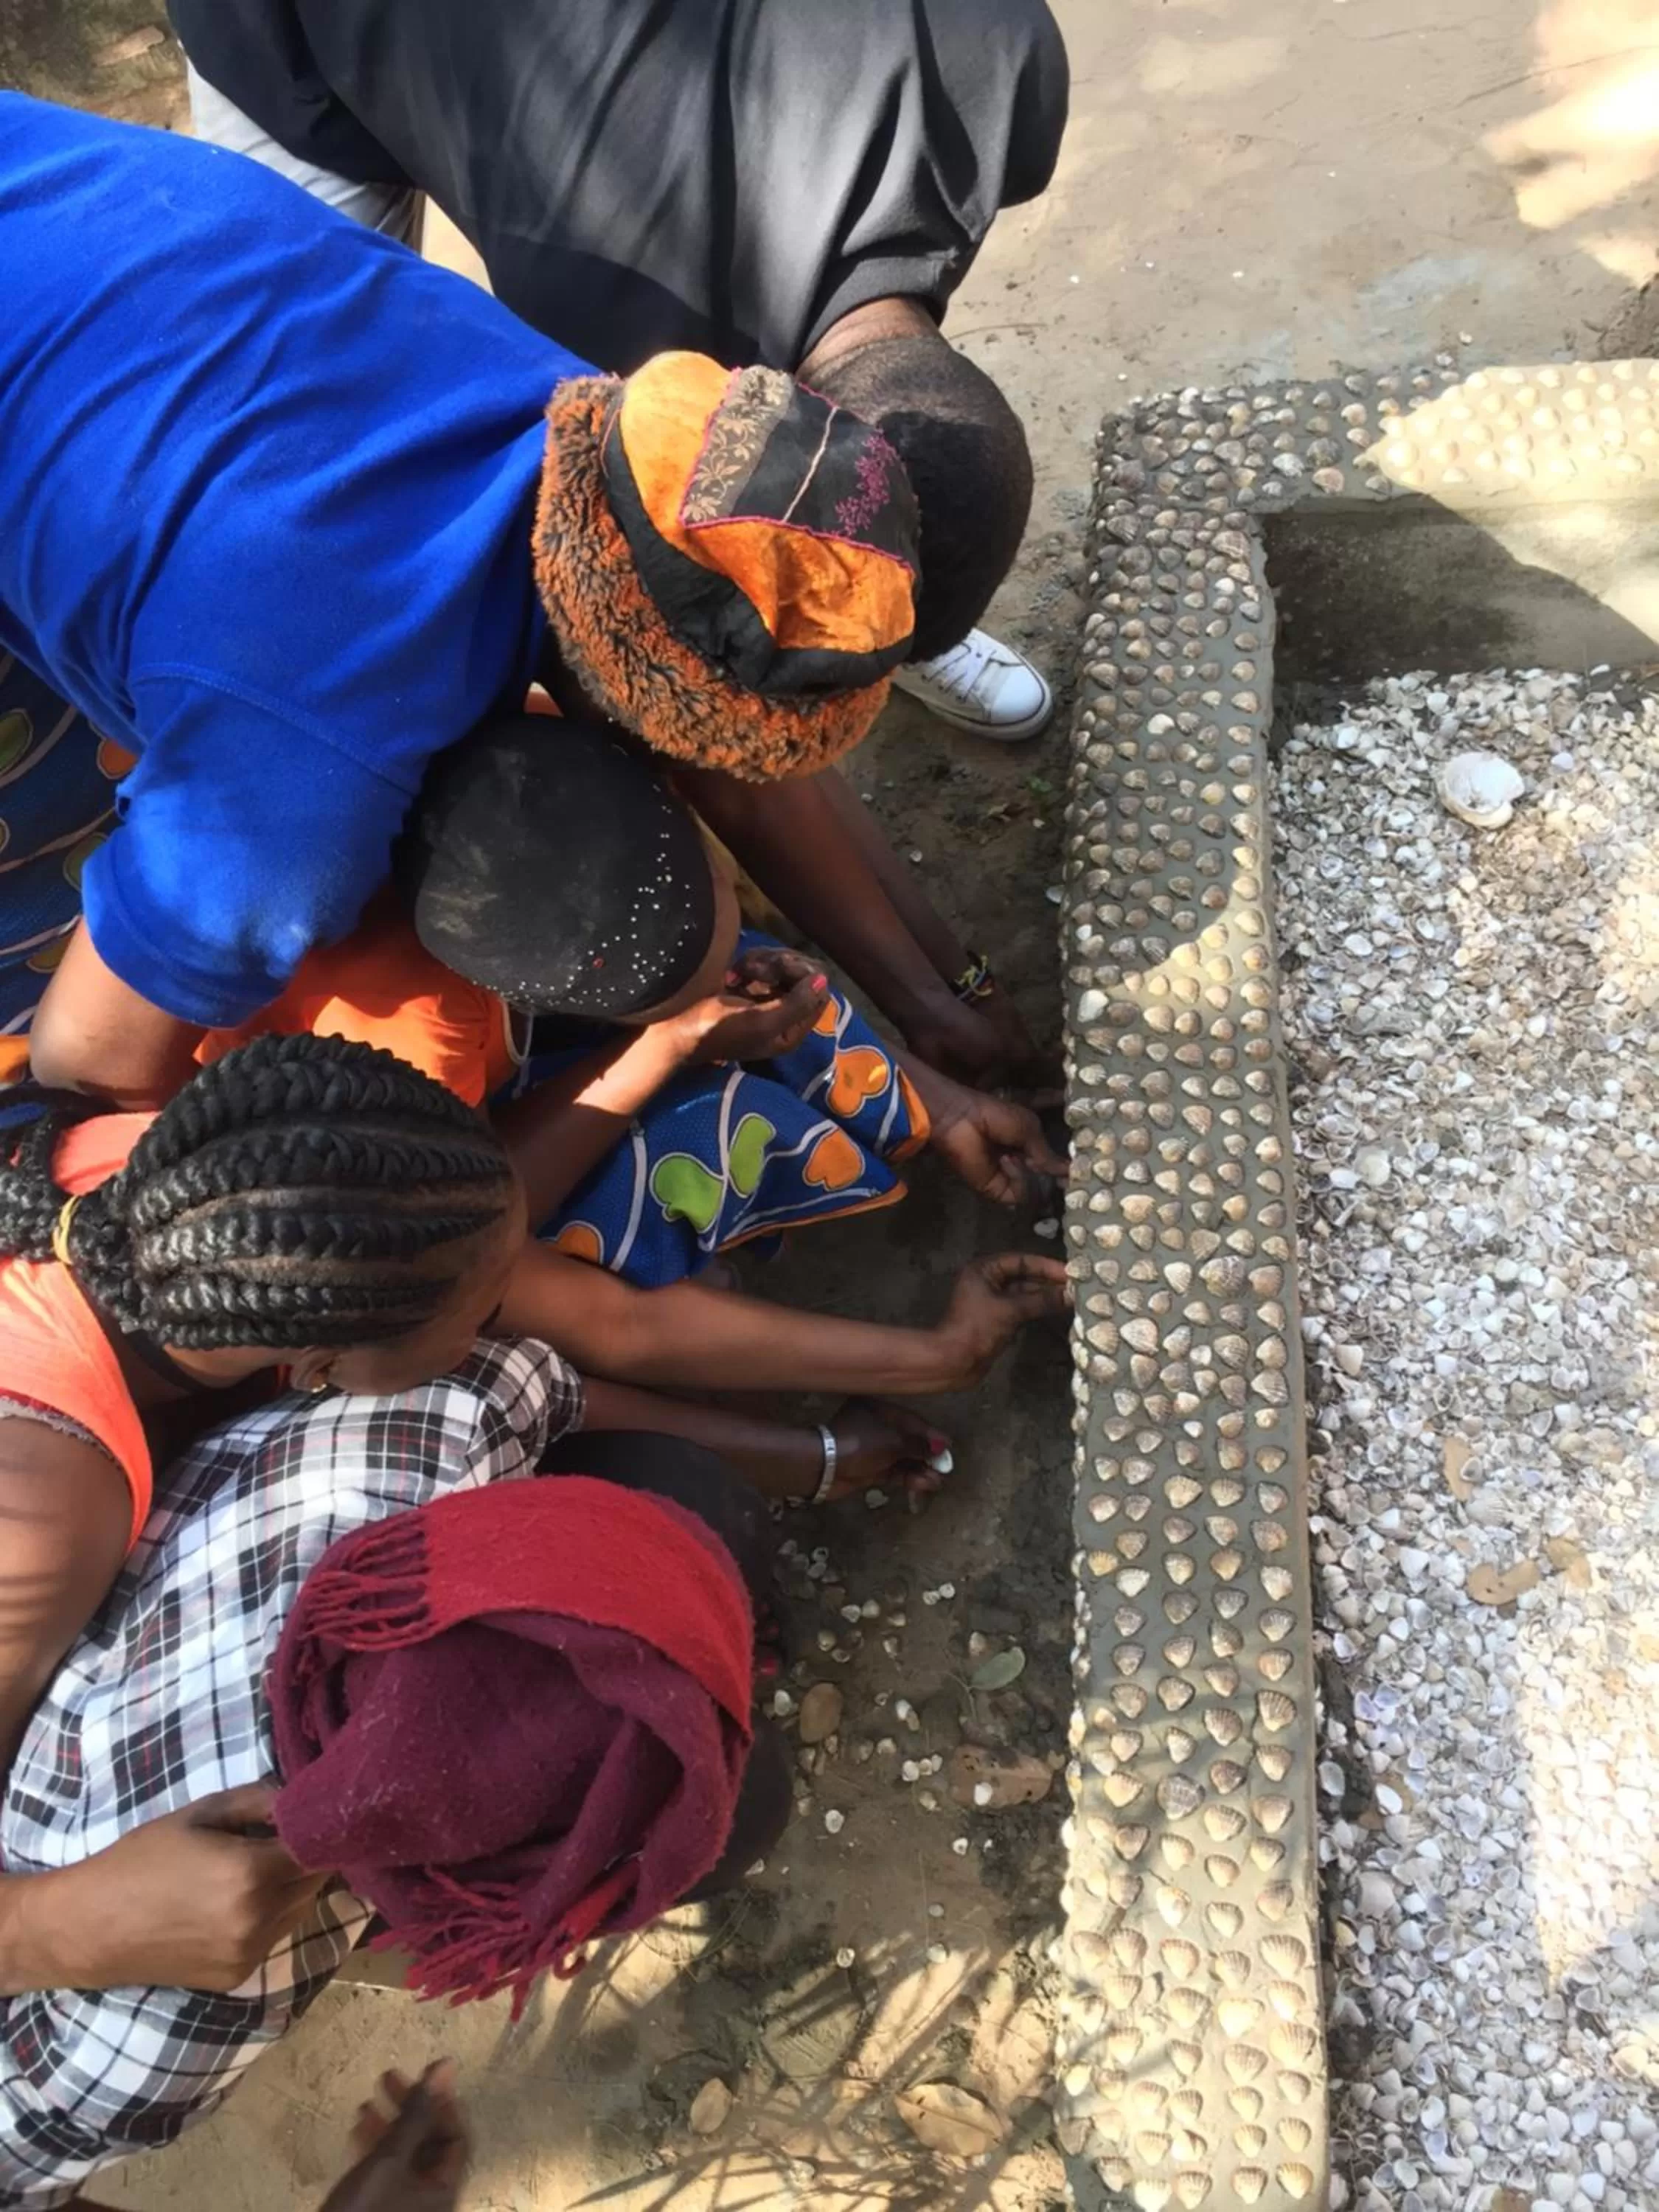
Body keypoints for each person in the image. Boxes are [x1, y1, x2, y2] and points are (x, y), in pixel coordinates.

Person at [0, 96, 1032, 1115]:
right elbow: (85, 1060)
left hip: (72, 227)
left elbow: (751, 777)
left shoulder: (615, 441)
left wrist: (940, 996)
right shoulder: (292, 788)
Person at [0, 1339, 804, 2207]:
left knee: (727, 1783)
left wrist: (38, 1931)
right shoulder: (420, 1438)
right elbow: (533, 1387)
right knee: (694, 1539)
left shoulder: (161, 2028)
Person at [170, 0, 1069, 743]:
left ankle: (872, 611)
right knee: (330, 391)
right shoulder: (604, 307)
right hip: (289, 25)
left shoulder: (995, 54)